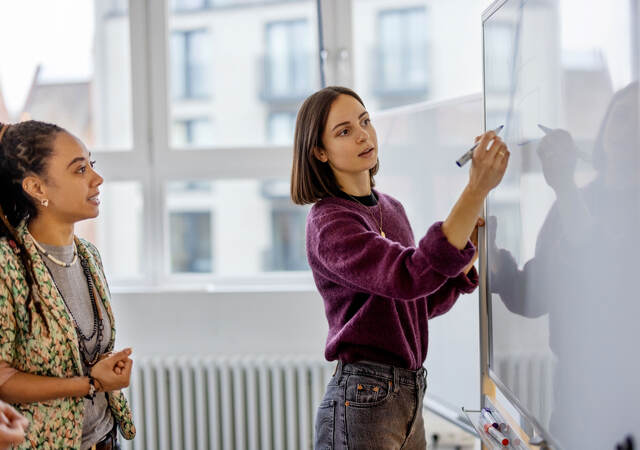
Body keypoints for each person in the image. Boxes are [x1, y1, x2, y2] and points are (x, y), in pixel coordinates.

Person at [290, 86, 510, 449]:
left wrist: (465, 253)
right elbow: (409, 276)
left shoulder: (391, 208)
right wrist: (475, 189)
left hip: (407, 395)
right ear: (320, 152)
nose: (362, 134)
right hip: (363, 399)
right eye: (344, 131)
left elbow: (418, 302)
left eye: (365, 121)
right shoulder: (329, 222)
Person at [0, 121, 136, 449]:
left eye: (92, 165)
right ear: (37, 188)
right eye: (79, 170)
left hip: (106, 438)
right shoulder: (7, 263)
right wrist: (89, 383)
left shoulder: (89, 255)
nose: (97, 178)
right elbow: (3, 380)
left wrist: (100, 369)